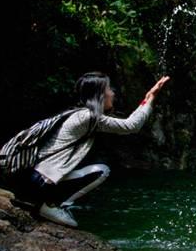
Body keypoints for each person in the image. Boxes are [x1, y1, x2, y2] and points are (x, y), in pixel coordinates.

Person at [20, 71, 170, 227]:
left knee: (94, 167)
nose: (112, 93)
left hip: (36, 177)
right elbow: (131, 126)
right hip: (41, 180)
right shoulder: (88, 117)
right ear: (100, 95)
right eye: (109, 89)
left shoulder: (77, 113)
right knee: (102, 170)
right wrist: (150, 98)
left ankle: (46, 202)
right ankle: (52, 205)